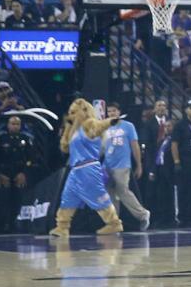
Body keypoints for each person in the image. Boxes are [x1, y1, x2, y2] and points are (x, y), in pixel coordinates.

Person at [49, 99, 123, 236]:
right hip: (75, 169)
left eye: (73, 112)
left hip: (88, 168)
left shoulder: (89, 124)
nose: (70, 115)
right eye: (70, 113)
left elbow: (99, 126)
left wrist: (109, 122)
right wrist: (67, 128)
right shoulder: (74, 130)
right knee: (67, 198)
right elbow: (64, 148)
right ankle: (62, 226)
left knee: (99, 196)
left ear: (83, 111)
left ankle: (114, 223)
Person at [102, 103, 150, 231]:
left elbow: (135, 146)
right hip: (107, 166)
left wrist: (139, 165)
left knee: (122, 190)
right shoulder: (105, 128)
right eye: (109, 111)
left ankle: (142, 214)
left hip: (122, 165)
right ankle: (114, 222)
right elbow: (101, 149)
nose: (111, 113)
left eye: (114, 111)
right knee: (110, 194)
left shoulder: (128, 126)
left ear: (119, 112)